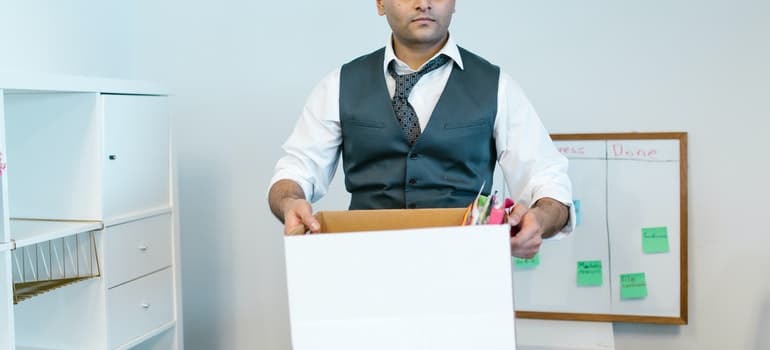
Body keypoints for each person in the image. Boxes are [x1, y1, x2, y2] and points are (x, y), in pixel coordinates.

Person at [268, 0, 574, 258]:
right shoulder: (339, 84)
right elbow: (296, 170)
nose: (423, 3)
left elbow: (546, 179)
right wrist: (290, 202)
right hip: (364, 267)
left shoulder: (497, 86)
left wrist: (541, 218)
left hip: (467, 270)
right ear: (379, 3)